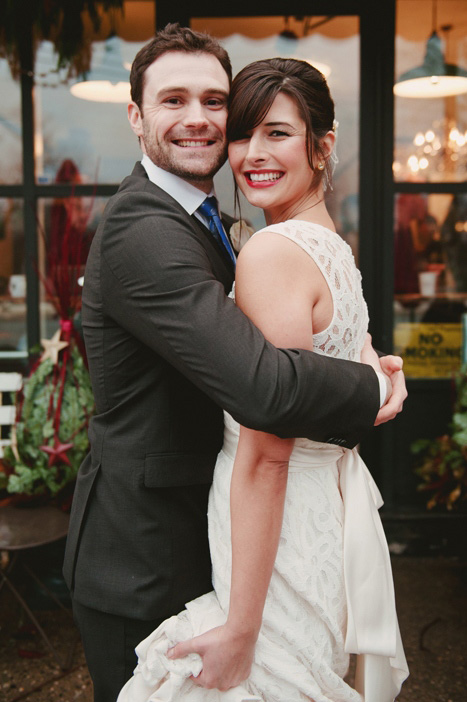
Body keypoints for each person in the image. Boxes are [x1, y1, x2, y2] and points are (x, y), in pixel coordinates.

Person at [63, 25, 406, 702]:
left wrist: (354, 348)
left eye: (215, 102)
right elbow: (263, 387)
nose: (199, 119)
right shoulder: (143, 229)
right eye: (173, 100)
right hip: (143, 559)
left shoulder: (220, 224)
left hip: (222, 536)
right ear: (136, 116)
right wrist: (370, 383)